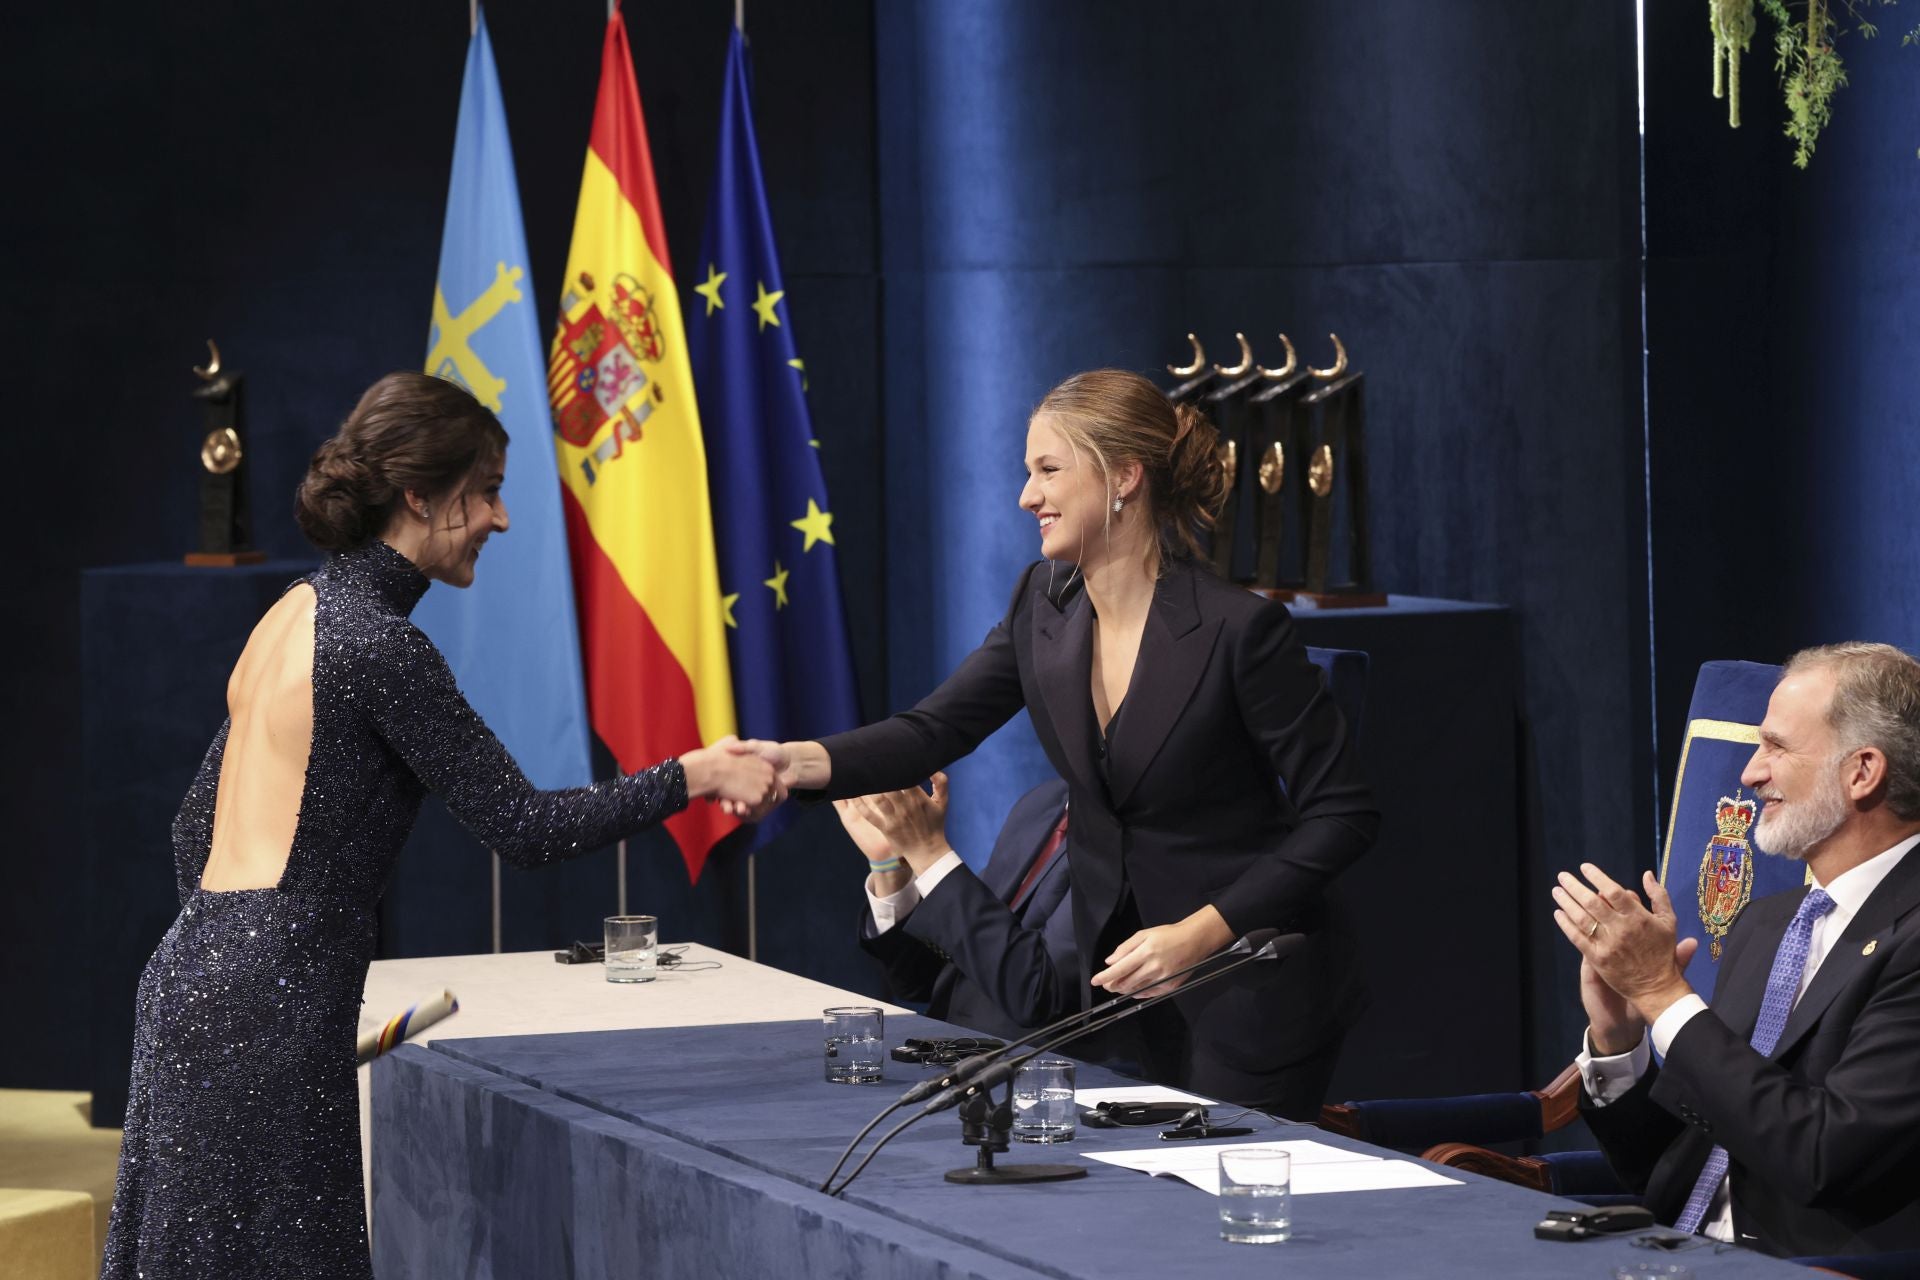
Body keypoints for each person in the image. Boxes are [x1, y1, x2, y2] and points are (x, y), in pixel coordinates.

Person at [101, 371, 783, 1280]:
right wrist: (690, 775)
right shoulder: (380, 645)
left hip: (186, 979)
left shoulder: (293, 614)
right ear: (421, 495)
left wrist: (247, 959)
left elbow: (193, 831)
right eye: (489, 491)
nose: (502, 520)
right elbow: (523, 827)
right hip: (266, 1004)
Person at [775, 368, 1378, 1115]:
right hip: (1110, 997)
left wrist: (1200, 934)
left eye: (1048, 470)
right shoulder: (1041, 605)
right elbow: (929, 732)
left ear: (1124, 477)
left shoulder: (1238, 630)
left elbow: (1343, 814)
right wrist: (784, 764)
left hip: (1241, 991)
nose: (1028, 496)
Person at [1556, 643, 1920, 1258]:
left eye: (1776, 747)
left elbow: (1818, 1155)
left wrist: (1663, 994)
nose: (1751, 773)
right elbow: (1673, 1169)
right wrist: (1621, 1039)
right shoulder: (1768, 923)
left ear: (1862, 771)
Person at [840, 772, 1077, 1040]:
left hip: (1043, 1070)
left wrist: (928, 852)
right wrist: (889, 866)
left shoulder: (1121, 834)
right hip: (949, 1056)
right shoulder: (1044, 802)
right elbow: (928, 978)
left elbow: (1035, 993)